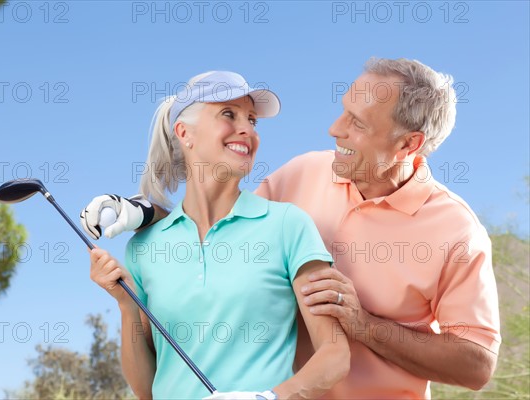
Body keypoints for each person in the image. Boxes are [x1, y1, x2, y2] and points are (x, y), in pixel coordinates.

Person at [82, 58, 501, 399]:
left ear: (408, 144)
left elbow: (477, 364)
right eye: (343, 111)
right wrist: (140, 211)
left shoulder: (456, 232)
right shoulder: (305, 174)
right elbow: (218, 215)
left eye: (357, 123)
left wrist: (365, 325)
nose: (335, 129)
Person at [86, 71, 350, 400]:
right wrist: (126, 305)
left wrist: (268, 398)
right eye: (229, 114)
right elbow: (145, 389)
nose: (247, 129)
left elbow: (335, 355)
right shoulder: (144, 248)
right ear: (185, 133)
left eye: (252, 120)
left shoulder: (287, 225)